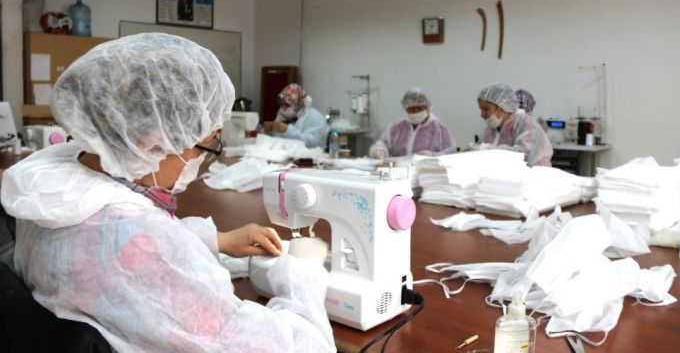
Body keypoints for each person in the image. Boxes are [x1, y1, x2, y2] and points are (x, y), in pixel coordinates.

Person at [0, 34, 335, 353]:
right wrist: (301, 277)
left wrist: (217, 240)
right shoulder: (148, 250)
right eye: (206, 144)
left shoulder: (52, 179)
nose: (201, 160)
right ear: (153, 144)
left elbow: (113, 242)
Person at [477, 82, 553, 166]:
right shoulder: (491, 129)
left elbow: (525, 156)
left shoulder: (526, 123)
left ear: (501, 107)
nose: (482, 114)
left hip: (533, 173)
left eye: (486, 109)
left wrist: (486, 150)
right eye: (481, 109)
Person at [370, 88, 456, 158]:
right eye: (411, 109)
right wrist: (379, 151)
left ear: (428, 107)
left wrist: (433, 156)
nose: (415, 112)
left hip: (428, 171)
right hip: (400, 171)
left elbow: (451, 152)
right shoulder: (396, 127)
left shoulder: (439, 128)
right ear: (405, 108)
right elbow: (383, 144)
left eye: (419, 108)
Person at [263, 84, 328, 148]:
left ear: (298, 102)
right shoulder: (283, 115)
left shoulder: (314, 116)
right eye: (282, 104)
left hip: (311, 154)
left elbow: (311, 142)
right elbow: (278, 140)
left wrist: (287, 130)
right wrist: (270, 130)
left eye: (287, 105)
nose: (283, 108)